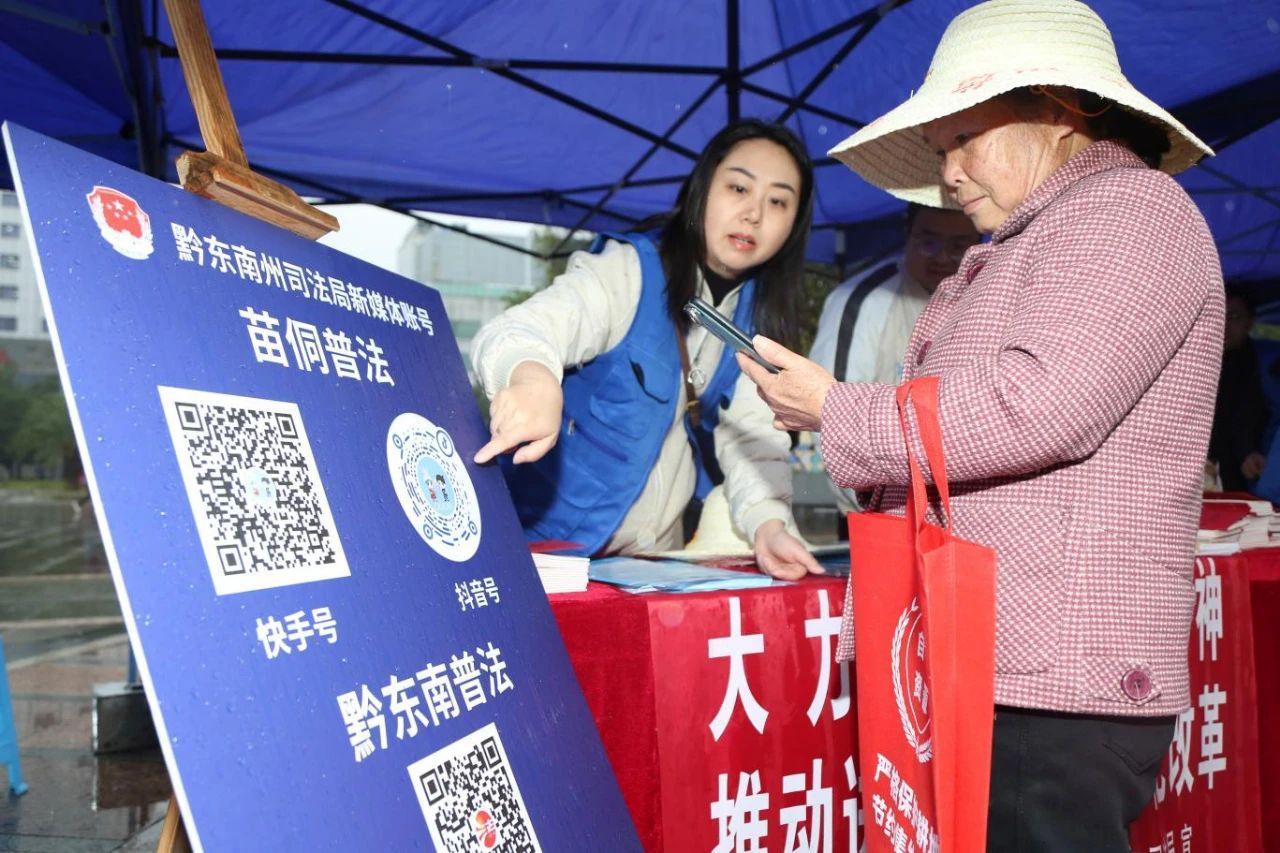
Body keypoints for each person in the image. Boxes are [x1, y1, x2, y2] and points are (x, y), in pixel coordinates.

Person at [735, 1, 1222, 848]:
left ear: (1060, 112)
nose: (949, 173)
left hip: (1052, 680)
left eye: (965, 138)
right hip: (1001, 658)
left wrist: (837, 408)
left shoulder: (1128, 209)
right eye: (939, 149)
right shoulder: (1045, 233)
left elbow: (1038, 405)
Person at [471, 119, 822, 580]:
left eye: (778, 201)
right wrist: (531, 378)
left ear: (794, 226)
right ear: (701, 189)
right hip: (545, 562)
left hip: (652, 569)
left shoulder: (756, 320)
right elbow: (516, 330)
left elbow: (754, 441)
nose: (753, 214)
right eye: (738, 188)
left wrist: (769, 526)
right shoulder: (627, 271)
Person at [808, 204, 979, 522]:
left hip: (962, 508)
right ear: (907, 235)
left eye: (959, 246)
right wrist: (879, 510)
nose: (942, 257)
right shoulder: (863, 299)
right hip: (882, 511)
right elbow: (829, 412)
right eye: (929, 242)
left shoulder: (984, 299)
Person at [1209, 289, 1269, 491]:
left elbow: (1252, 416)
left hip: (1247, 469)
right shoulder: (1198, 361)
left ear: (1250, 322)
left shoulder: (1264, 366)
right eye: (1219, 315)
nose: (1224, 324)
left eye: (1234, 317)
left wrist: (1249, 451)